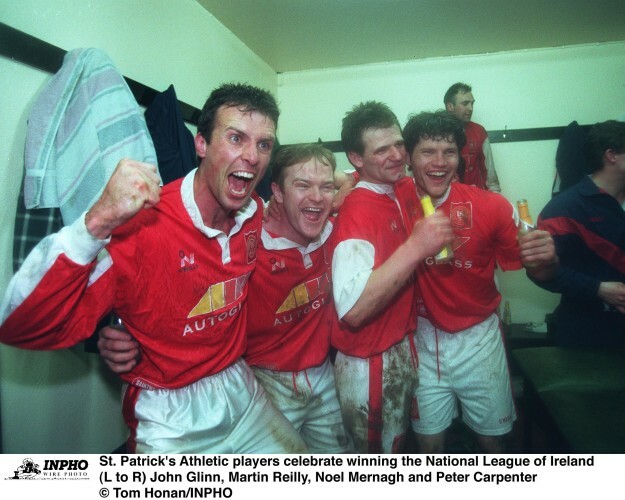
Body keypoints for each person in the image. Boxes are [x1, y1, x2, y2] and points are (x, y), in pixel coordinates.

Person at [0, 83, 308, 454]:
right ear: (201, 144)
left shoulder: (254, 213)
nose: (252, 157)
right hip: (169, 412)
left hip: (239, 388)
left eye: (263, 144)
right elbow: (19, 326)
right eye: (236, 138)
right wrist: (96, 222)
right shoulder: (144, 226)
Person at [100, 143, 351, 453]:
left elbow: (354, 177)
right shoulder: (249, 237)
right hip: (263, 380)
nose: (317, 196)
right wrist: (125, 327)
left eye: (326, 187)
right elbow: (173, 282)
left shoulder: (337, 230)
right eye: (302, 185)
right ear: (279, 193)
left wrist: (332, 175)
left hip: (321, 374)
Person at [402, 110, 558, 453]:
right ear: (409, 158)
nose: (439, 162)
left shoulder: (492, 205)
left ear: (460, 157)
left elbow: (539, 273)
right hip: (421, 339)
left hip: (479, 336)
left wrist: (547, 259)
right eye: (427, 151)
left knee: (493, 440)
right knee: (429, 444)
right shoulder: (394, 204)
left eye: (449, 152)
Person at [328, 101, 453, 453]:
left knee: (398, 445)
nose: (397, 155)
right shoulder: (356, 211)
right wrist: (416, 247)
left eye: (399, 144)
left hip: (399, 346)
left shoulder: (397, 188)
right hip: (369, 363)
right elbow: (352, 310)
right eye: (381, 149)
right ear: (356, 157)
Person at [532, 119, 625, 347]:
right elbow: (540, 272)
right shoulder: (563, 209)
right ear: (611, 155)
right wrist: (598, 289)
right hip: (589, 335)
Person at [444, 82, 501, 192]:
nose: (470, 108)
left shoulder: (479, 132)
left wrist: (495, 197)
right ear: (450, 106)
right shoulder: (437, 133)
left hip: (476, 197)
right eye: (465, 104)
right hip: (447, 198)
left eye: (472, 103)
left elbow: (490, 173)